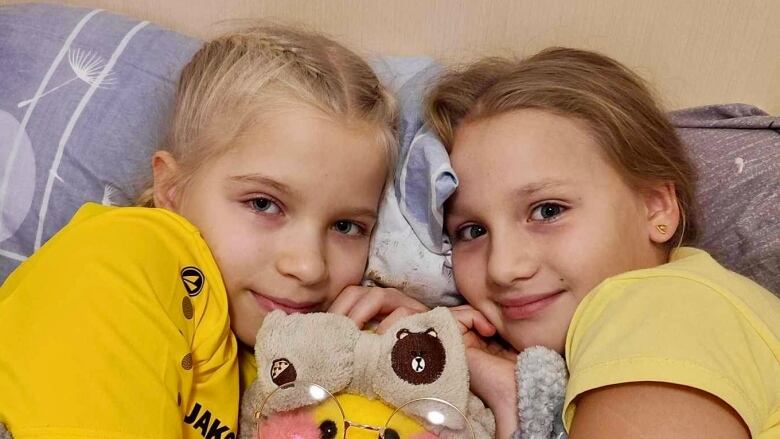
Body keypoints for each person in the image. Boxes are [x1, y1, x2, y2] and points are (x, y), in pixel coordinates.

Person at [0, 25, 421, 438]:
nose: (309, 266)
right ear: (172, 189)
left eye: (346, 227)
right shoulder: (126, 259)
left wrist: (410, 356)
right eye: (263, 204)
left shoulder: (267, 355)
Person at [424, 48, 780, 438]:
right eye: (472, 231)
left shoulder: (660, 304)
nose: (503, 267)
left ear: (656, 207)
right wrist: (487, 376)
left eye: (547, 211)